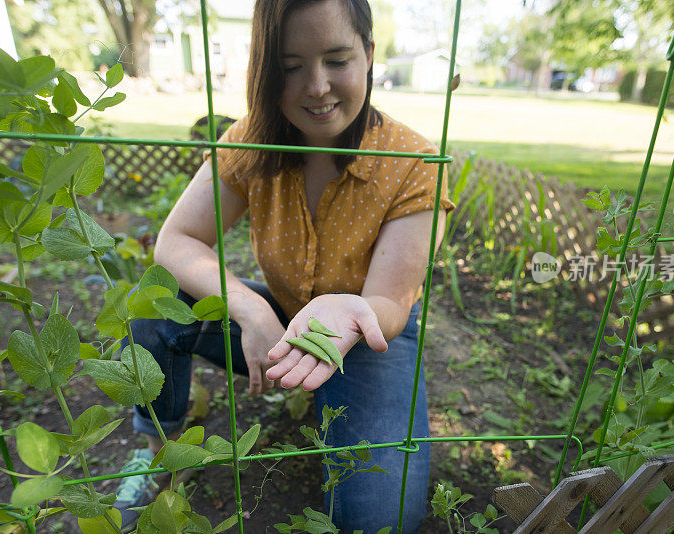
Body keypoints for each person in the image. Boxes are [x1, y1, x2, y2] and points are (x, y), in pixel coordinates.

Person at [113, 0, 454, 532]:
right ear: (266, 70)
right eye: (291, 67)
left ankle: (330, 395)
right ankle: (156, 443)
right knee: (157, 300)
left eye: (336, 60)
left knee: (380, 521)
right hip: (277, 319)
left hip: (369, 333)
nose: (316, 86)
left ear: (368, 54)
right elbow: (177, 241)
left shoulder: (411, 160)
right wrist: (249, 310)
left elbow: (390, 302)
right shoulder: (251, 139)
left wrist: (347, 312)